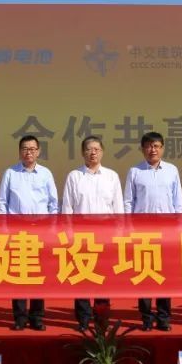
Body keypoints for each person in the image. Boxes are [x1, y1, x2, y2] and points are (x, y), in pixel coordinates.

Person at [61, 135, 124, 331]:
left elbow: (118, 208)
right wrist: (68, 235)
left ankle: (101, 320)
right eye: (89, 149)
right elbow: (67, 208)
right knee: (82, 278)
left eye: (96, 149)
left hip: (105, 234)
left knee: (103, 279)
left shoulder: (111, 176)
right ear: (83, 153)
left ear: (102, 152)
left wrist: (118, 235)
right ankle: (83, 321)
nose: (93, 153)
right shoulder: (74, 176)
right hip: (81, 235)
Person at [0, 134, 58, 331]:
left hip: (40, 230)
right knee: (19, 276)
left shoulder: (46, 174)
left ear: (38, 151)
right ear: (19, 151)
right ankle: (20, 318)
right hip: (17, 230)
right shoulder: (10, 173)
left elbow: (53, 204)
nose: (28, 152)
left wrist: (51, 228)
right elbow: (2, 203)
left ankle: (37, 317)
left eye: (32, 149)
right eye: (25, 149)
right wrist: (4, 230)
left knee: (38, 275)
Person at [124, 132, 182, 331]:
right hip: (142, 231)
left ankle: (164, 317)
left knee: (164, 275)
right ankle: (147, 318)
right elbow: (128, 201)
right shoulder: (135, 171)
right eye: (149, 146)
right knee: (145, 275)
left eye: (156, 146)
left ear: (162, 148)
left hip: (167, 230)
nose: (153, 150)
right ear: (142, 149)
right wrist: (129, 228)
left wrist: (178, 229)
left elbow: (178, 202)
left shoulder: (172, 170)